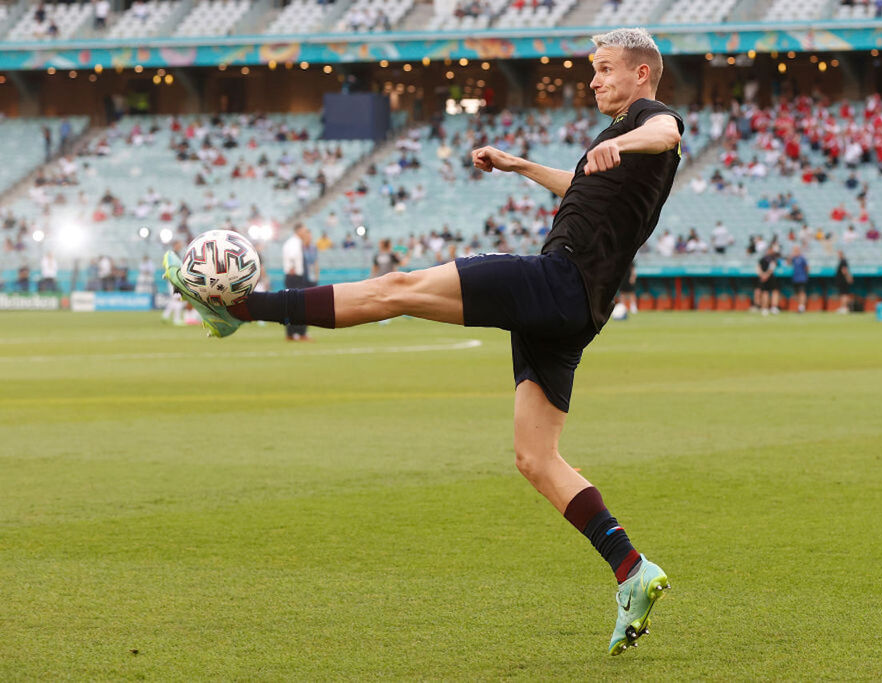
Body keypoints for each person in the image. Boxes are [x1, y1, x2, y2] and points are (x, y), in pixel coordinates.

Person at [162, 27, 676, 657]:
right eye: (592, 70)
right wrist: (521, 166)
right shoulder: (618, 150)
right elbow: (585, 191)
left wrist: (621, 142)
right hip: (576, 310)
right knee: (535, 458)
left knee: (398, 288)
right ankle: (631, 569)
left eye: (603, 69)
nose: (594, 80)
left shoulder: (648, 125)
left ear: (642, 75)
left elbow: (668, 132)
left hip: (557, 281)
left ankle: (242, 307)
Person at [281, 223, 311, 341]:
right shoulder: (294, 243)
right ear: (298, 230)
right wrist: (292, 268)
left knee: (293, 306)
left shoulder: (294, 242)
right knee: (299, 306)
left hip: (293, 277)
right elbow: (292, 257)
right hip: (294, 277)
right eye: (304, 230)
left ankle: (292, 333)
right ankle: (299, 332)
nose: (305, 233)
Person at [757, 244, 779, 315]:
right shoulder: (771, 258)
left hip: (765, 277)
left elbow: (759, 268)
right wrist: (765, 275)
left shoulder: (765, 258)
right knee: (766, 293)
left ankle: (769, 308)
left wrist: (763, 275)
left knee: (768, 292)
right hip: (769, 277)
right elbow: (771, 267)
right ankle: (768, 308)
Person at [789, 245, 808, 313]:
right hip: (795, 278)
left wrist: (805, 275)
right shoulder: (793, 258)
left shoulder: (802, 258)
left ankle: (802, 307)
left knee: (802, 292)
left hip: (802, 278)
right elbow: (788, 263)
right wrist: (791, 255)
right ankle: (800, 306)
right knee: (797, 294)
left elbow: (807, 268)